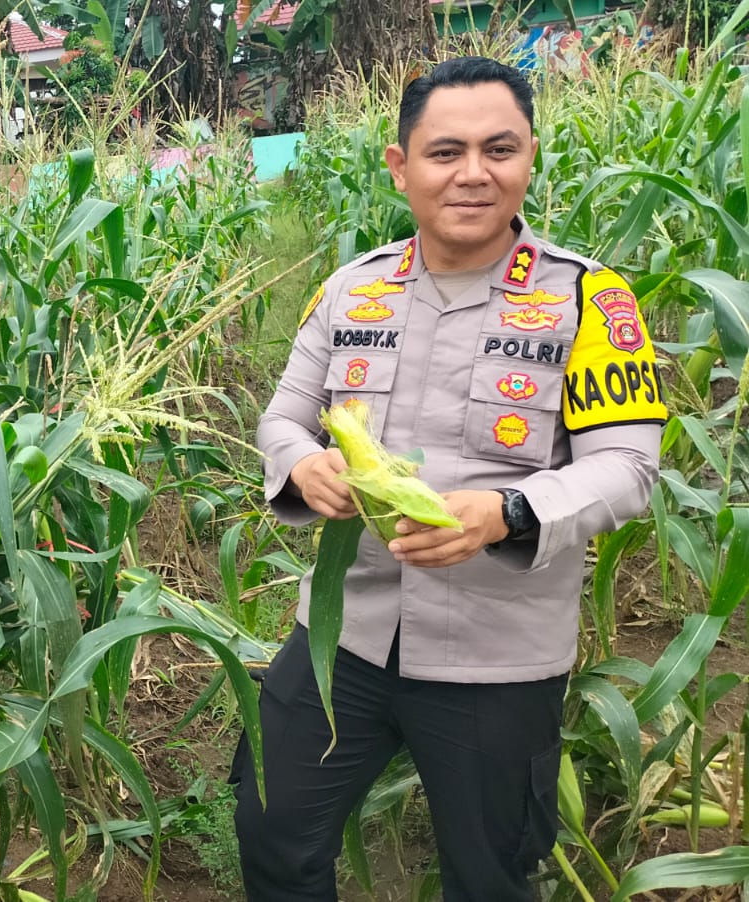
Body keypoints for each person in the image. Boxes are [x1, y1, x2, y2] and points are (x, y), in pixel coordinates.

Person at [234, 56, 665, 899]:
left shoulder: (587, 300)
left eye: (498, 149)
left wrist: (506, 511)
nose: (473, 173)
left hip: (495, 656)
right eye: (445, 152)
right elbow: (283, 417)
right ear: (401, 167)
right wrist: (302, 465)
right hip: (347, 637)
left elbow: (628, 470)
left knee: (492, 876)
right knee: (271, 829)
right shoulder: (353, 290)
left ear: (530, 156)